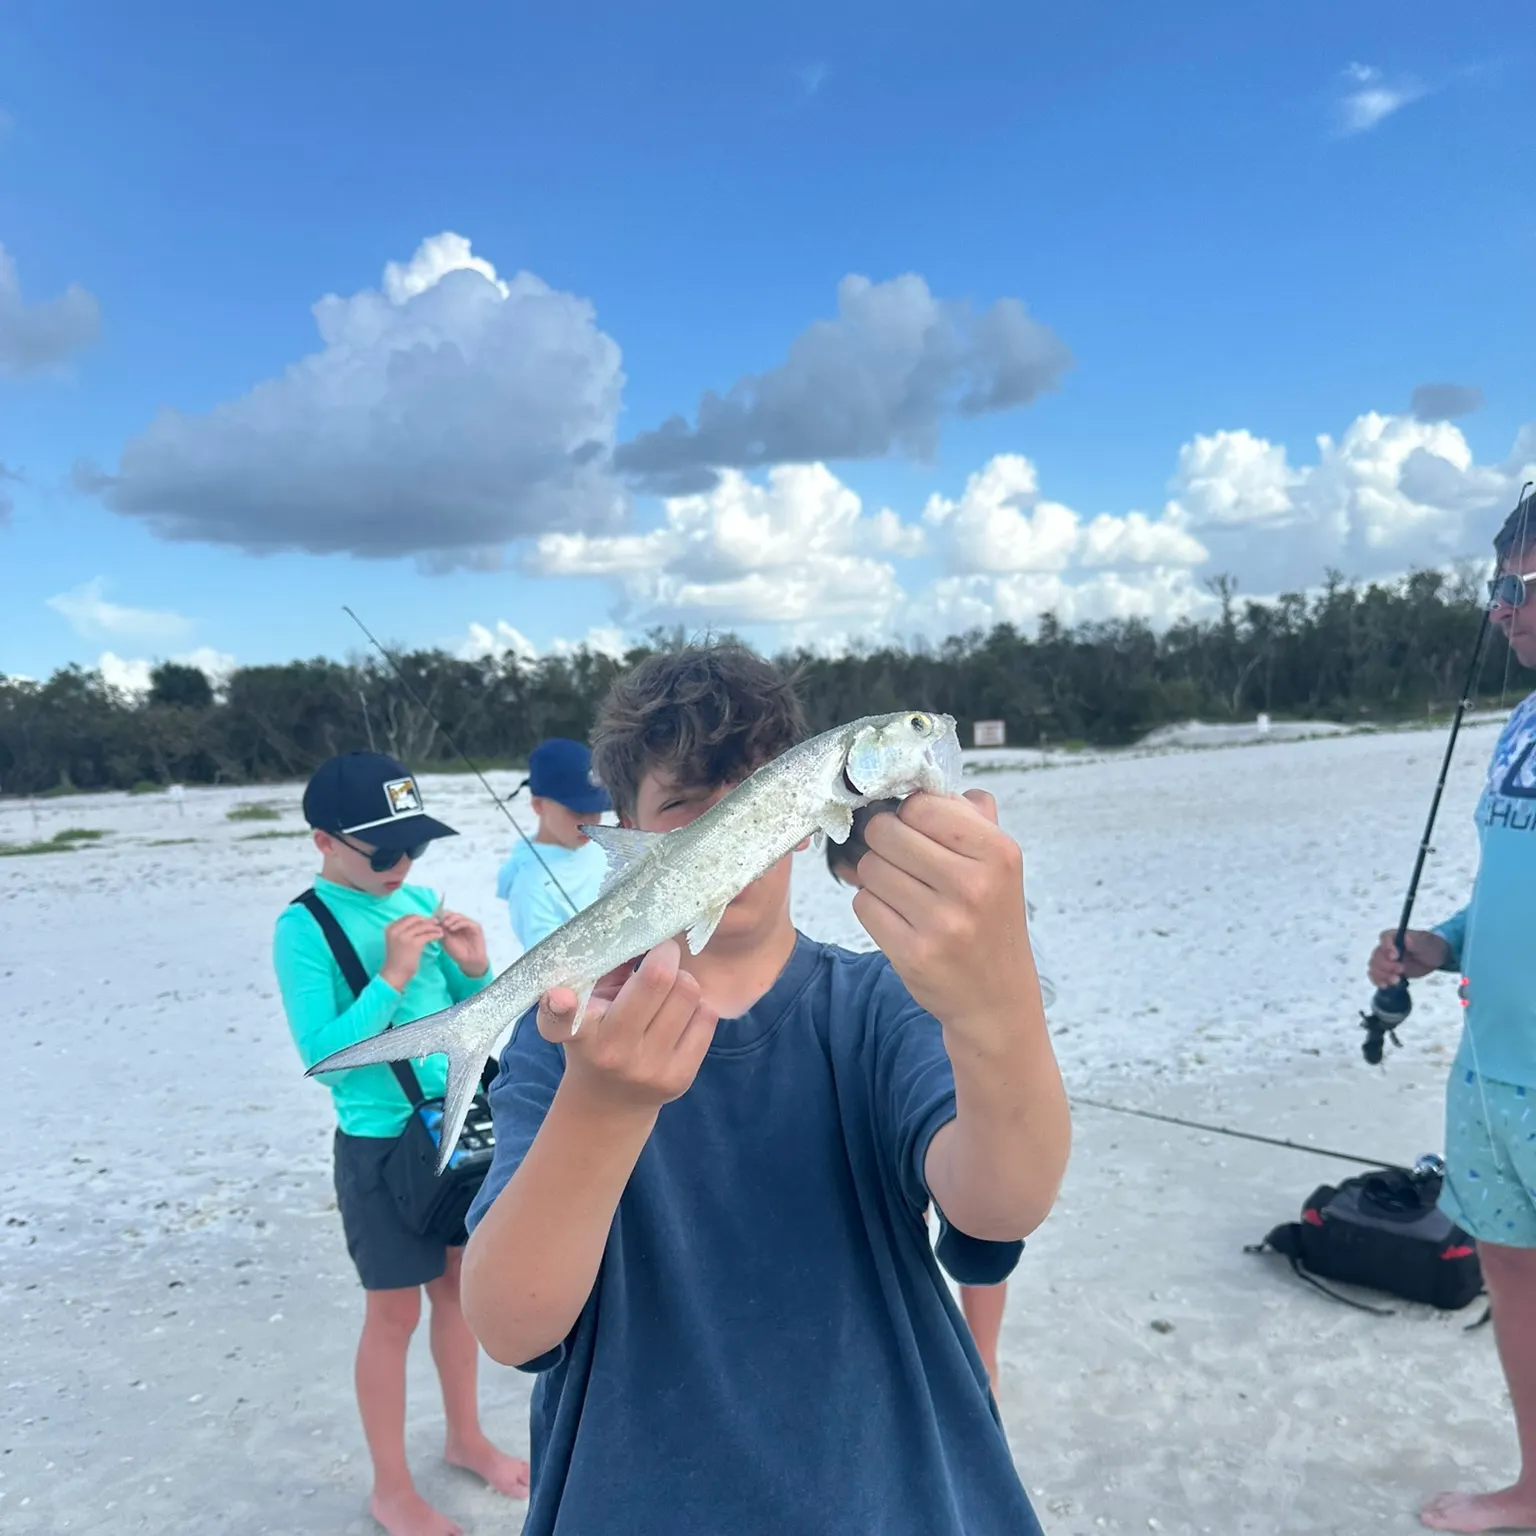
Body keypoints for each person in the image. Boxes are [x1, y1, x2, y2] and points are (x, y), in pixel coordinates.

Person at [459, 644, 1071, 1536]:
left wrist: (997, 1004)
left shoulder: (878, 1006)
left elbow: (1001, 1203)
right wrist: (602, 1107)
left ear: (802, 818)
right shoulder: (566, 1040)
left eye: (746, 795)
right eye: (682, 804)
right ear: (627, 829)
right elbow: (511, 1327)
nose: (724, 825)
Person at [273, 750, 530, 1536]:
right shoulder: (305, 927)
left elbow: (467, 1018)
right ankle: (391, 1488)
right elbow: (322, 1055)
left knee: (456, 1292)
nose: (404, 866)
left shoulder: (418, 899)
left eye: (414, 846)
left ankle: (465, 1437)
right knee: (392, 1316)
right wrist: (389, 977)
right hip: (379, 1146)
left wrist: (475, 970)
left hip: (450, 1127)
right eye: (384, 852)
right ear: (325, 842)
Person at [1366, 490, 1536, 1536]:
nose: (1500, 609)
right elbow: (1506, 889)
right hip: (1488, 1072)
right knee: (1511, 1275)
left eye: (1524, 585)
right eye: (1498, 585)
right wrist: (1440, 945)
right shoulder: (1520, 725)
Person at [823, 796, 1058, 1401]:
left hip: (974, 1065)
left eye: (865, 886)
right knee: (924, 1195)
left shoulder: (966, 901)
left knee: (980, 1231)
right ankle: (970, 1348)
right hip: (923, 1055)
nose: (866, 905)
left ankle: (983, 1357)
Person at [495, 737, 612, 952]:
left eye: (597, 810)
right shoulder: (529, 887)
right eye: (578, 812)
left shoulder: (600, 847)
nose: (591, 824)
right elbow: (549, 963)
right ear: (538, 805)